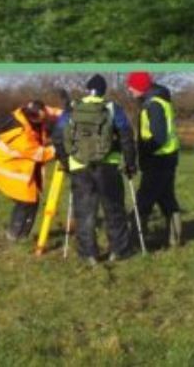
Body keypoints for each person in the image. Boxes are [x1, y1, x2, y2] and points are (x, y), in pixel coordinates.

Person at [54, 75, 137, 265]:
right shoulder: (112, 108)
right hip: (108, 166)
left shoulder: (72, 108)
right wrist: (131, 163)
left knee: (84, 213)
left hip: (79, 167)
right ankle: (119, 251)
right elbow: (126, 137)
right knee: (114, 210)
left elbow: (58, 136)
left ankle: (88, 255)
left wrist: (66, 162)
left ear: (87, 88)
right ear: (103, 90)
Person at [127, 72, 183, 247]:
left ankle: (135, 241)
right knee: (167, 200)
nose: (129, 89)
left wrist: (143, 152)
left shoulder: (153, 105)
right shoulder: (157, 101)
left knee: (143, 201)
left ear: (141, 87)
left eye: (132, 86)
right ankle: (175, 239)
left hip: (158, 160)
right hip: (167, 158)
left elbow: (159, 137)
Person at [0, 100, 59, 241]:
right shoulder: (20, 134)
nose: (43, 122)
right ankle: (15, 235)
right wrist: (58, 149)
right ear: (31, 116)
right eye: (40, 120)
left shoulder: (32, 111)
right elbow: (39, 154)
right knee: (25, 202)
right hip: (13, 171)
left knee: (32, 201)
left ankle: (22, 235)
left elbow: (52, 112)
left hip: (22, 166)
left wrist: (69, 114)